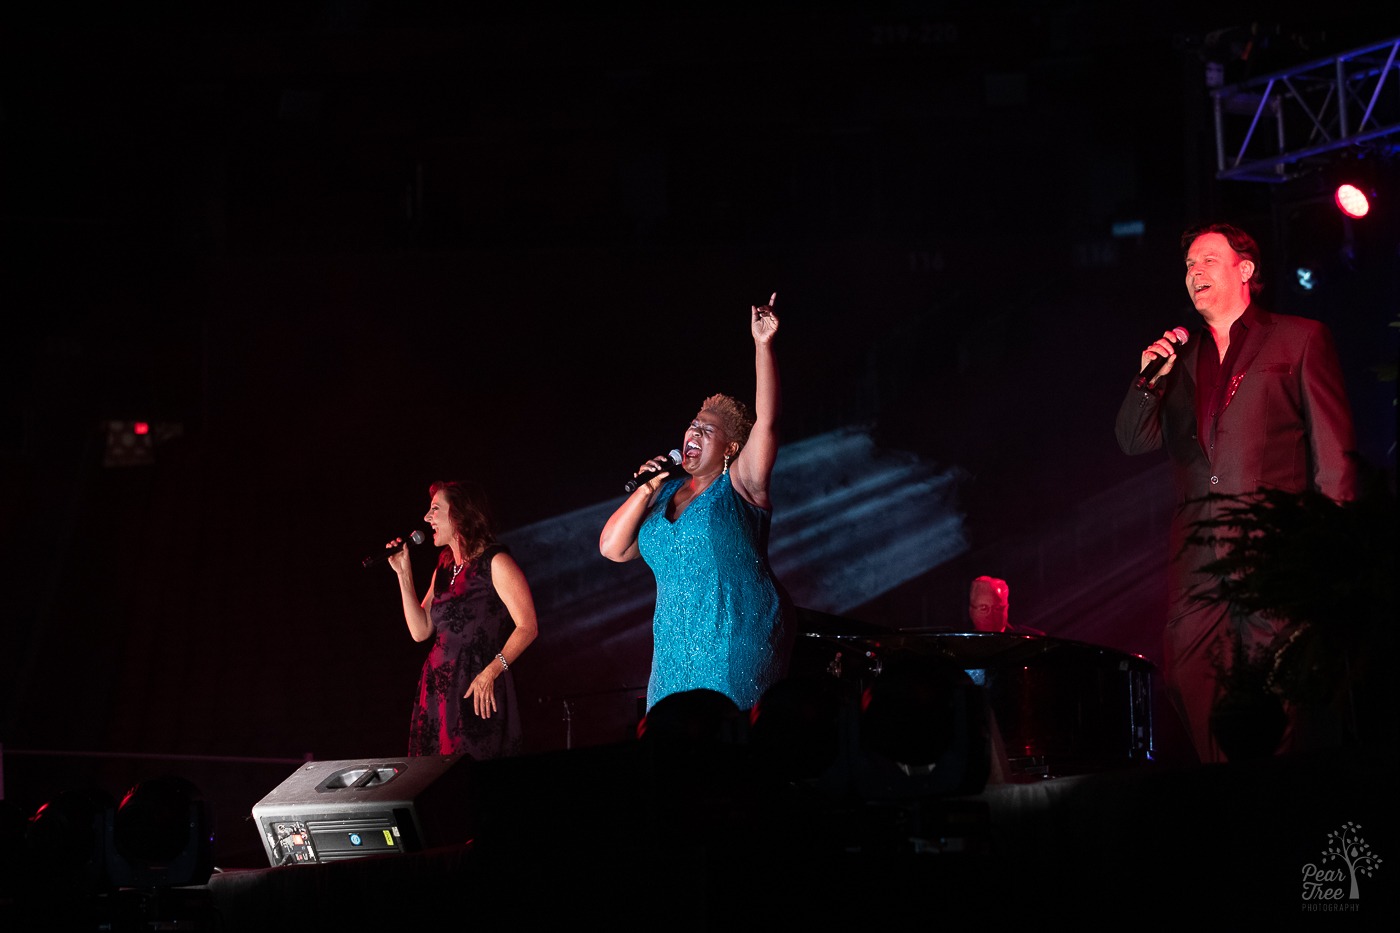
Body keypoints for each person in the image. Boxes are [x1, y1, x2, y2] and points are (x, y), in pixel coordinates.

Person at [1115, 221, 1357, 764]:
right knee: (1187, 675)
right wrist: (1148, 378)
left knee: (1283, 687)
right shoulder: (1178, 364)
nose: (1194, 273)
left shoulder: (1299, 339)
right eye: (1188, 267)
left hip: (1276, 556)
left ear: (1245, 270)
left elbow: (1335, 460)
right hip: (1198, 563)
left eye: (1206, 261)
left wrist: (1333, 553)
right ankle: (1228, 794)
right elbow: (1132, 440)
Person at [600, 292, 794, 713]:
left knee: (723, 744)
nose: (694, 432)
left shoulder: (742, 484)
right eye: (692, 426)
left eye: (707, 430)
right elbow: (612, 548)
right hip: (673, 650)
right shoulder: (665, 492)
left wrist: (763, 346)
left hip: (735, 638)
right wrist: (647, 489)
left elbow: (767, 420)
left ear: (731, 448)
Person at [387, 480, 539, 758]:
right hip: (437, 689)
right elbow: (420, 631)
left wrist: (492, 671)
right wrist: (403, 574)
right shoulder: (444, 567)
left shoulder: (495, 561)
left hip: (476, 684)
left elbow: (528, 626)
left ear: (459, 514)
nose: (426, 517)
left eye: (435, 509)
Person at [966, 576, 1043, 635]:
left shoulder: (1032, 639)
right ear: (971, 611)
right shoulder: (961, 644)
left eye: (997, 608)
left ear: (1006, 609)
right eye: (983, 608)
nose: (990, 615)